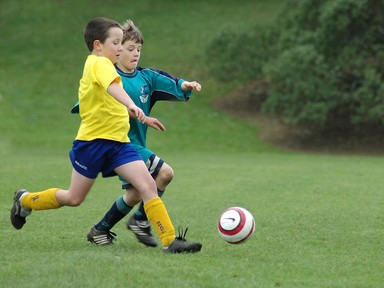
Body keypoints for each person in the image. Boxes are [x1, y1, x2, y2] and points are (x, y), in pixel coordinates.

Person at [10, 17, 202, 254]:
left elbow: (110, 99)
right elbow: (113, 88)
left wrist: (141, 116)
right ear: (98, 45)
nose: (121, 48)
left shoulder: (109, 67)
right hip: (92, 145)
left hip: (120, 145)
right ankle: (25, 200)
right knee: (73, 198)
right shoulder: (98, 63)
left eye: (123, 43)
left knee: (148, 186)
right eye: (117, 43)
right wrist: (132, 105)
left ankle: (170, 241)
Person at [72, 19, 202, 248]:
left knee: (134, 195)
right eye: (129, 48)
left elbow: (168, 79)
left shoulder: (145, 77)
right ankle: (145, 224)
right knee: (165, 174)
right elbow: (90, 102)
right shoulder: (105, 74)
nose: (134, 54)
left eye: (138, 50)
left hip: (130, 146)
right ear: (117, 49)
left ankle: (100, 229)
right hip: (122, 144)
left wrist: (185, 84)